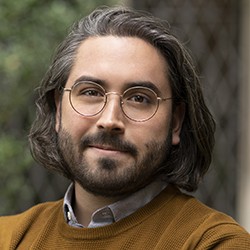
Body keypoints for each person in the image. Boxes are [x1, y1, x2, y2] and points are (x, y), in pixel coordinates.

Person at [1, 6, 249, 249]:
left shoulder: (214, 242)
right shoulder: (8, 237)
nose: (110, 120)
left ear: (175, 122)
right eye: (90, 92)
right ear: (58, 110)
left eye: (139, 98)